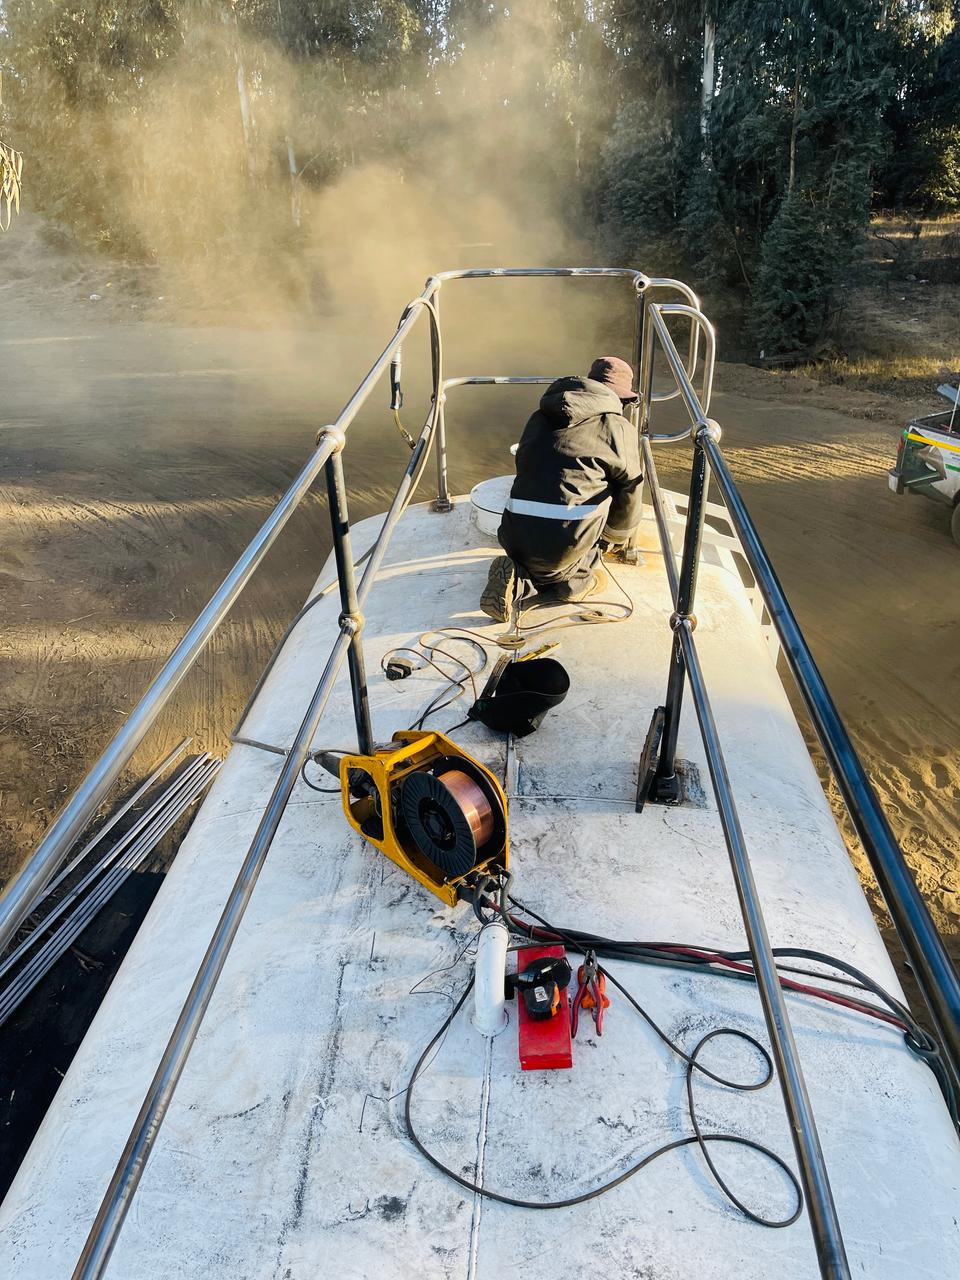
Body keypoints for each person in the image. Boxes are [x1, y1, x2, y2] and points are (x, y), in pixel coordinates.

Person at [480, 355, 643, 622]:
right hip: (565, 545)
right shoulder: (617, 428)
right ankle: (575, 583)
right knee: (608, 491)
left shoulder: (539, 416)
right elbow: (631, 488)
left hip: (514, 534)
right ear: (620, 398)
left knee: (541, 560)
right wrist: (615, 536)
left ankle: (518, 580)